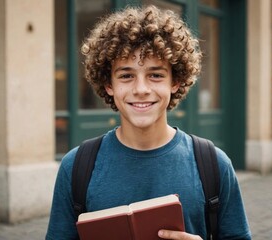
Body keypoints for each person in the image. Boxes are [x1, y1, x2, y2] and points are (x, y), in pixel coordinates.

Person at [46, 5, 251, 240]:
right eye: (126, 76)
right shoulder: (76, 167)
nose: (141, 89)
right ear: (108, 85)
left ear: (175, 81)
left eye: (155, 75)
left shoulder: (214, 164)